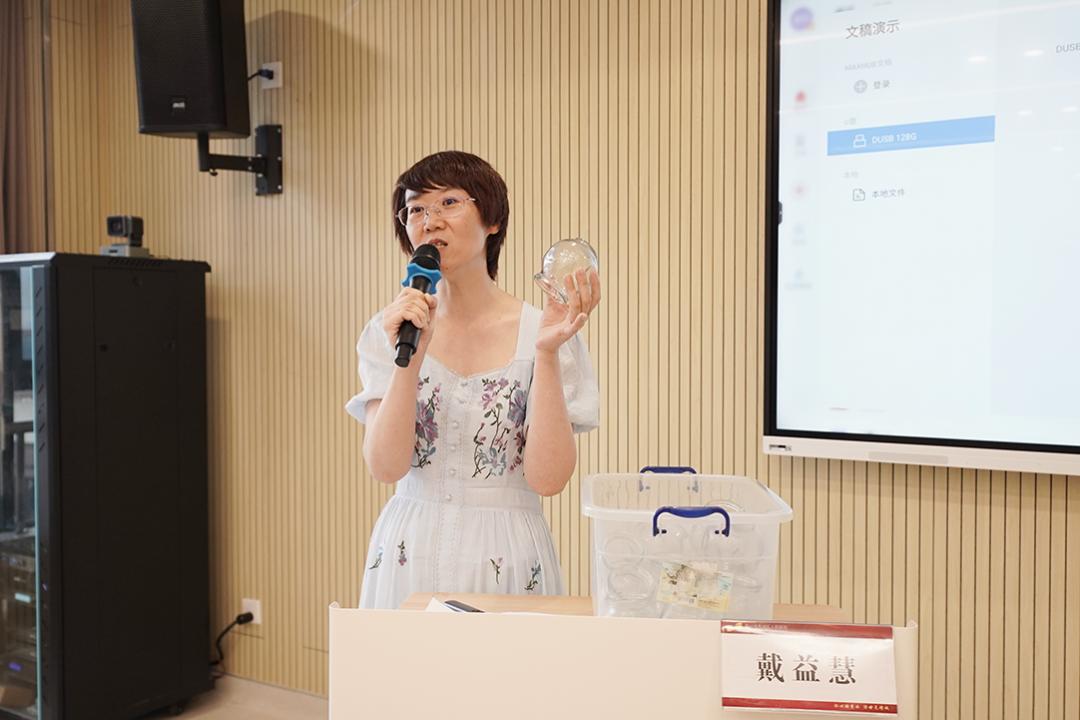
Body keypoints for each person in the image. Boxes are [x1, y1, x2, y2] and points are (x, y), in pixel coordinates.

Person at [346, 151, 601, 609]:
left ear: (493, 221)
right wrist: (409, 359)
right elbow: (385, 467)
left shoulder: (544, 331)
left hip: (505, 552)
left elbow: (548, 479)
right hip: (409, 549)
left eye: (448, 203)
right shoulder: (390, 329)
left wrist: (545, 354)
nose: (430, 221)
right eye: (415, 209)